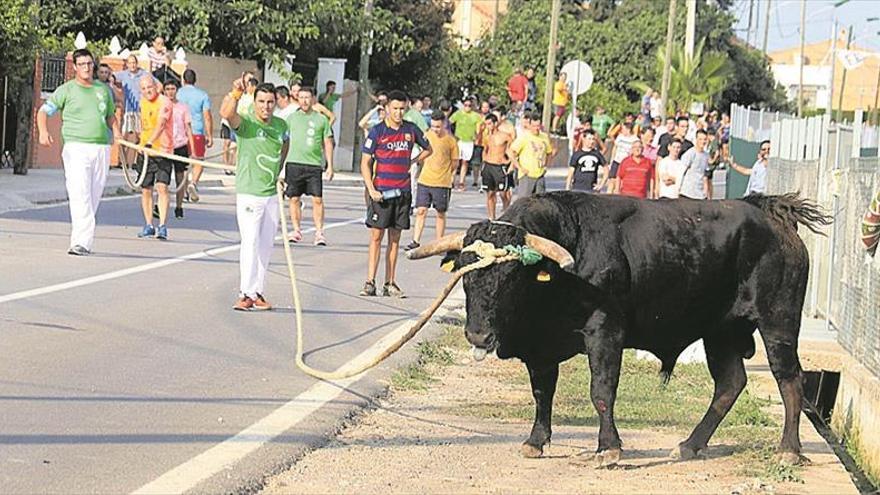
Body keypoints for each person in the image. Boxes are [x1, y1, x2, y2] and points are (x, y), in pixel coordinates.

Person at [37, 48, 120, 256]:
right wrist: (43, 131)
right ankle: (80, 242)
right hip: (76, 146)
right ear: (74, 67)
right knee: (79, 192)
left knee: (93, 195)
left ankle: (83, 240)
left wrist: (118, 135)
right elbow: (43, 111)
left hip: (101, 147)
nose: (86, 68)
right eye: (82, 64)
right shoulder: (66, 90)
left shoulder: (102, 90)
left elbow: (110, 116)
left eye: (89, 64)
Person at [221, 80, 289, 311]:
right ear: (255, 102)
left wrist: (278, 171)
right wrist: (237, 92)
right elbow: (226, 113)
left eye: (270, 102)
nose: (266, 107)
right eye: (261, 101)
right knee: (249, 241)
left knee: (266, 245)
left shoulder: (281, 125)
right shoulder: (247, 122)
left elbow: (285, 144)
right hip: (250, 193)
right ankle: (245, 293)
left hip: (271, 194)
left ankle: (257, 291)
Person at [359, 90, 432, 298]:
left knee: (395, 238)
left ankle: (390, 282)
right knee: (376, 236)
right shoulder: (377, 131)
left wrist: (413, 160)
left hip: (403, 191)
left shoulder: (411, 130)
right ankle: (369, 282)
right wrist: (371, 189)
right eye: (395, 108)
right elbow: (365, 162)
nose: (398, 113)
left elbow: (428, 149)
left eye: (402, 109)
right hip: (381, 191)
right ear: (387, 109)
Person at [284, 86, 334, 246]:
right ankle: (296, 230)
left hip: (313, 165)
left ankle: (319, 232)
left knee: (317, 199)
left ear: (312, 99)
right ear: (297, 98)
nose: (304, 100)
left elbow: (328, 142)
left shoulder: (321, 119)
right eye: (301, 97)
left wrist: (330, 166)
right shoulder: (291, 118)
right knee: (293, 199)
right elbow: (283, 140)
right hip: (294, 163)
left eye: (307, 97)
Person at [407, 111, 458, 251]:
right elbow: (421, 153)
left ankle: (439, 242)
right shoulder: (426, 136)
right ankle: (415, 240)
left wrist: (448, 174)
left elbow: (455, 162)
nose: (435, 129)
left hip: (442, 182)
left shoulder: (450, 140)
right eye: (433, 126)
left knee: (440, 212)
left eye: (438, 126)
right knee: (421, 210)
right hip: (425, 180)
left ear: (444, 124)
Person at [135, 77, 175, 240]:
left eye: (149, 87)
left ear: (155, 87)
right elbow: (143, 124)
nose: (147, 91)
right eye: (143, 89)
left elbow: (161, 123)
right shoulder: (142, 102)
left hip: (162, 150)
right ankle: (149, 225)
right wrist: (141, 142)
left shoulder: (164, 102)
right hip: (145, 152)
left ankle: (163, 225)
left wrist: (151, 141)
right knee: (146, 189)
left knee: (162, 187)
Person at [177, 68, 213, 202]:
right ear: (195, 80)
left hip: (181, 132)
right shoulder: (202, 95)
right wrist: (209, 135)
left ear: (183, 80)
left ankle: (185, 188)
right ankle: (193, 183)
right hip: (197, 131)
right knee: (198, 160)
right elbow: (207, 116)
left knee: (184, 163)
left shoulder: (178, 93)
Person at [162, 79, 196, 219]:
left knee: (180, 177)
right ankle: (160, 204)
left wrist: (193, 151)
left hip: (180, 145)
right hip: (165, 145)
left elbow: (188, 128)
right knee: (163, 178)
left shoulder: (183, 107)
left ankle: (179, 206)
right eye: (168, 89)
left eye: (173, 88)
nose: (170, 91)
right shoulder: (161, 106)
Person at [510, 112, 554, 199]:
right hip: (527, 175)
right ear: (529, 125)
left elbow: (549, 152)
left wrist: (546, 166)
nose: (536, 128)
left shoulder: (544, 137)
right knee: (525, 201)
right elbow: (511, 152)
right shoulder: (524, 137)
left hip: (540, 175)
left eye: (538, 126)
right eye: (534, 126)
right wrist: (519, 167)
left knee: (540, 201)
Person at [115, 54, 150, 162]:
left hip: (140, 109)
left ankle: (139, 160)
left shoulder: (143, 74)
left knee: (140, 135)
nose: (132, 65)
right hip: (128, 109)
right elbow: (111, 77)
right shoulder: (124, 74)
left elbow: (157, 85)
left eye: (134, 62)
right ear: (127, 64)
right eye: (130, 63)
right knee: (125, 135)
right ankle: (123, 161)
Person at [480, 113, 514, 219]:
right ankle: (492, 217)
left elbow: (512, 150)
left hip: (500, 167)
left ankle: (506, 214)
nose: (488, 126)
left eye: (490, 124)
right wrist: (484, 161)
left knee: (503, 193)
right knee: (490, 193)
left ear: (495, 123)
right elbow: (485, 150)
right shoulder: (487, 137)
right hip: (489, 166)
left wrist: (511, 164)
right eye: (486, 124)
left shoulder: (505, 136)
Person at [448, 98, 484, 191]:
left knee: (465, 162)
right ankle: (452, 180)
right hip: (458, 140)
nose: (467, 107)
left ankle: (461, 182)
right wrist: (452, 135)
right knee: (455, 161)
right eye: (466, 105)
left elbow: (479, 128)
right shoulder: (459, 114)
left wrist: (477, 137)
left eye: (469, 105)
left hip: (469, 141)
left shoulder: (476, 116)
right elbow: (449, 122)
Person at [565, 129, 608, 193]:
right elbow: (571, 172)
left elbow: (606, 169)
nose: (591, 141)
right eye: (589, 139)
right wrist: (567, 188)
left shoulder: (597, 154)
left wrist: (601, 185)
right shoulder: (577, 154)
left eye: (593, 139)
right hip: (577, 188)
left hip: (591, 189)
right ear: (583, 139)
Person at [678, 129, 711, 200]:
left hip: (700, 195)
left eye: (705, 139)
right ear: (696, 139)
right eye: (700, 139)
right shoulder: (690, 153)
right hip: (687, 194)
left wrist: (706, 193)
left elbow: (705, 176)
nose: (703, 141)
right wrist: (678, 189)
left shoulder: (706, 155)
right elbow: (681, 172)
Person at [608, 122, 638, 193]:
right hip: (617, 161)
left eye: (623, 129)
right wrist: (612, 160)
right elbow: (615, 147)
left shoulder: (634, 139)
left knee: (620, 182)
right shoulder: (620, 137)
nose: (622, 130)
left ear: (628, 129)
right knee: (612, 180)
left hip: (625, 163)